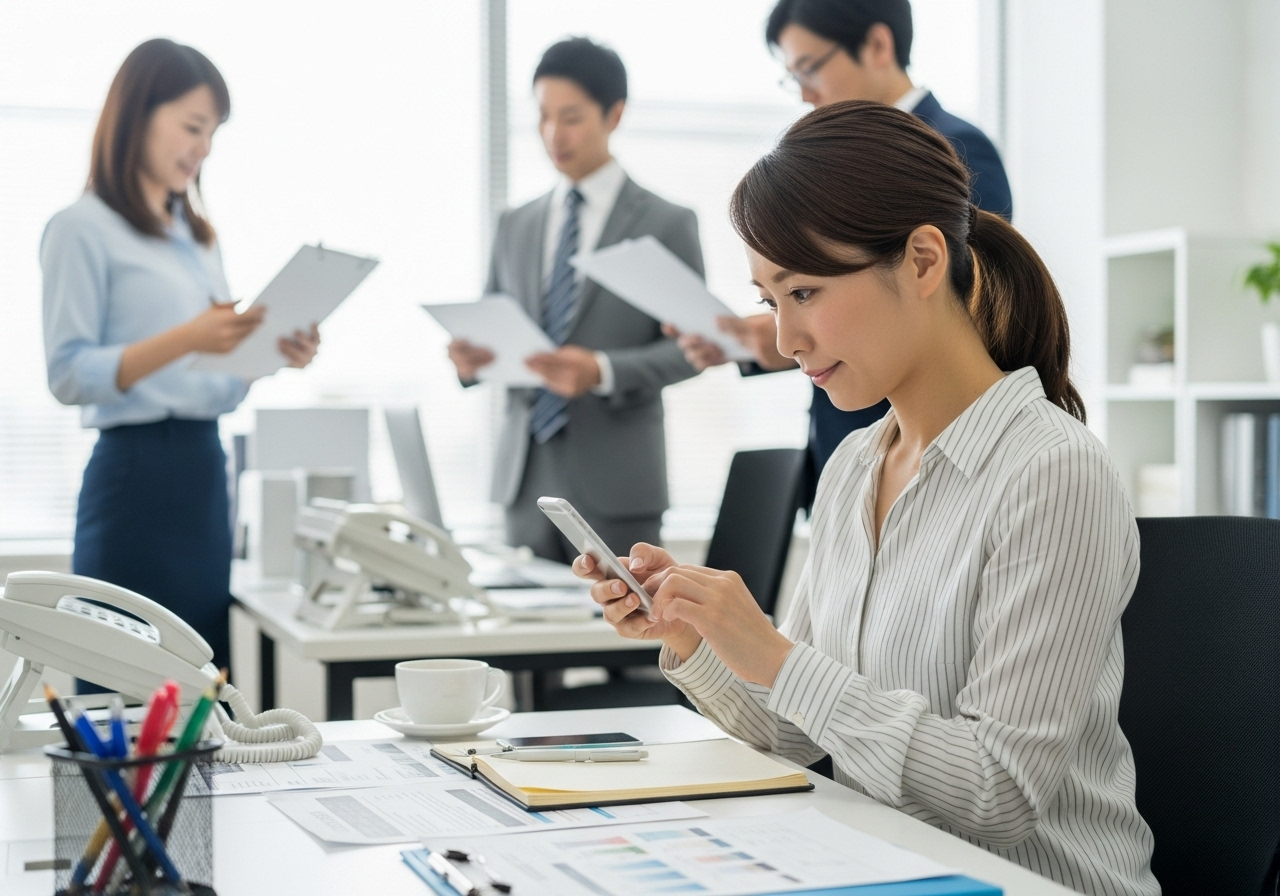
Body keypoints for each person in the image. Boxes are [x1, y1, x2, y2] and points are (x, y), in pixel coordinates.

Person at [577, 102, 1158, 896]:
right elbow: (795, 732)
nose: (786, 340)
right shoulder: (853, 465)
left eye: (804, 291)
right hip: (885, 871)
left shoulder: (1053, 473)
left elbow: (998, 792)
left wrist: (776, 655)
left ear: (922, 261)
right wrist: (696, 637)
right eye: (769, 301)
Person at [42, 39, 320, 678]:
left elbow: (210, 387)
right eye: (193, 127)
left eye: (213, 133)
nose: (203, 148)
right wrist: (188, 338)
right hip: (133, 478)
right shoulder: (80, 228)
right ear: (136, 116)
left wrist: (265, 357)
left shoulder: (196, 238)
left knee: (200, 691)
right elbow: (67, 374)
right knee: (120, 686)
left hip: (203, 476)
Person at [672, 0, 1013, 505]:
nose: (805, 93)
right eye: (773, 299)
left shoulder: (954, 147)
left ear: (877, 45)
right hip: (854, 454)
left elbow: (963, 306)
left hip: (934, 455)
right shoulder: (829, 168)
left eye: (810, 68)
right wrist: (755, 340)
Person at [448, 37, 702, 561]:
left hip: (618, 482)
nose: (553, 134)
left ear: (614, 114)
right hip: (525, 479)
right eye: (543, 117)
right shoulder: (515, 224)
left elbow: (695, 349)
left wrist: (602, 370)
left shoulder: (666, 223)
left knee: (622, 612)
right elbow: (494, 322)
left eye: (571, 118)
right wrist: (471, 361)